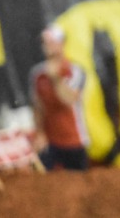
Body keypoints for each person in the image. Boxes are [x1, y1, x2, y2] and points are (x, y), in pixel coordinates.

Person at [29, 25, 89, 171]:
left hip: (74, 140)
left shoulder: (75, 70)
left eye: (51, 42)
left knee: (78, 181)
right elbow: (38, 107)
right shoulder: (37, 74)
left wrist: (56, 79)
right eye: (44, 42)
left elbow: (69, 100)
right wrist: (40, 133)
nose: (47, 46)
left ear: (62, 43)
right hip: (50, 143)